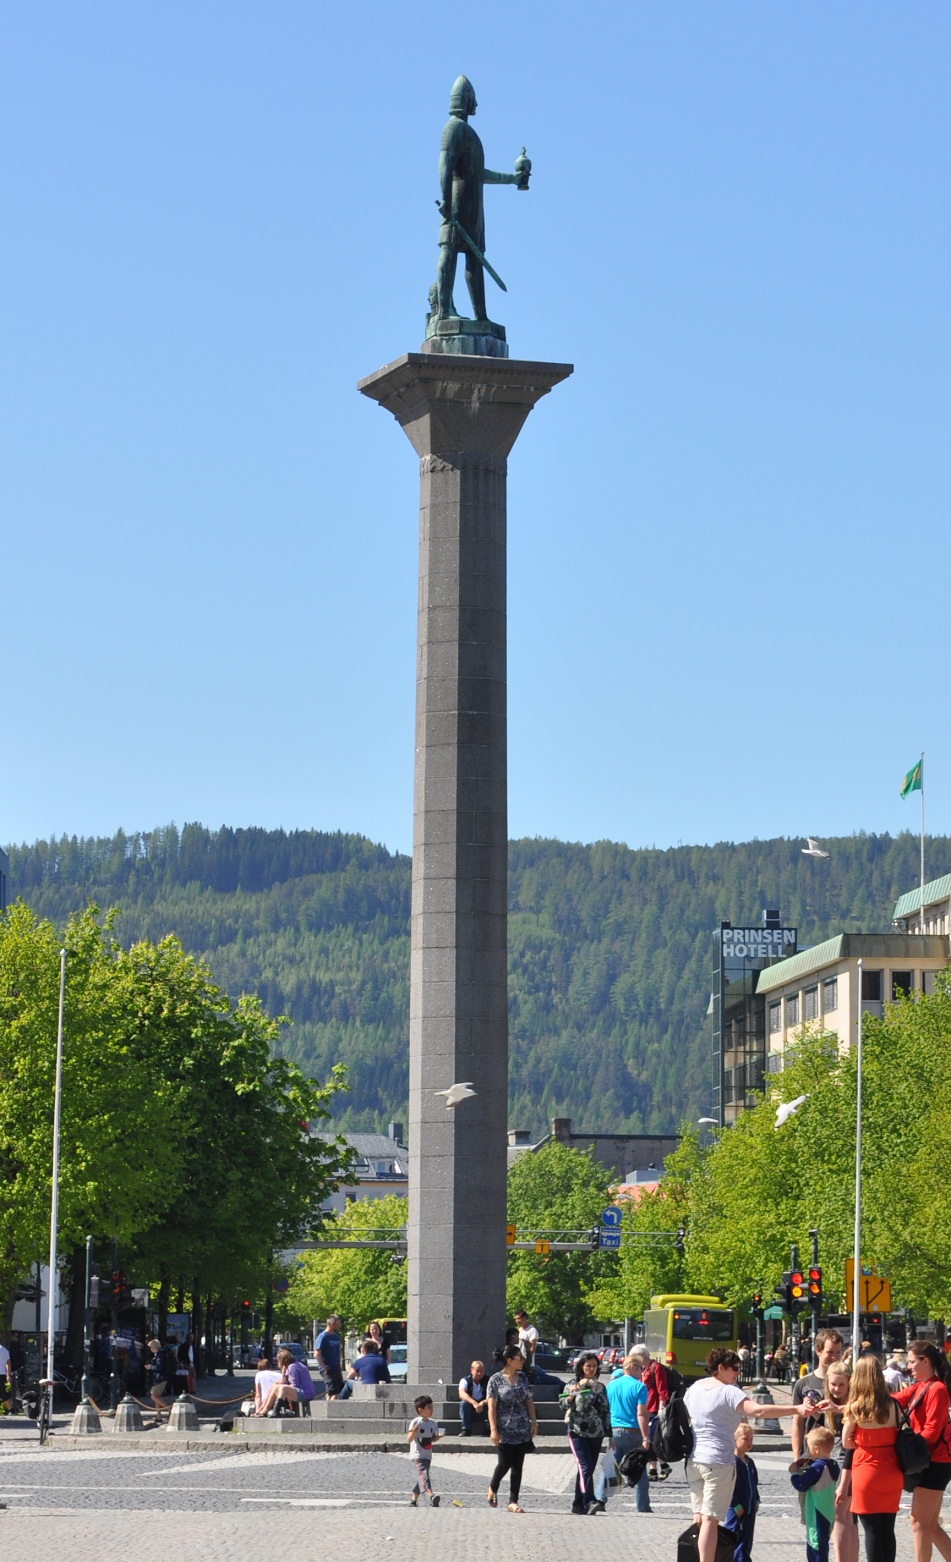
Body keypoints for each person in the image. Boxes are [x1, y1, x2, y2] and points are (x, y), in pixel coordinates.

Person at [685, 1347, 813, 1562]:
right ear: (720, 1368)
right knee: (710, 1520)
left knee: (699, 1516)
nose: (737, 1372)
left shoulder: (695, 1388)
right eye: (734, 1368)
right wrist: (797, 1409)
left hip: (694, 1460)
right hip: (718, 1461)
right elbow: (758, 1411)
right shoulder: (729, 1391)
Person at [433, 75, 526, 322]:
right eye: (473, 99)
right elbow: (445, 165)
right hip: (456, 201)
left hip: (474, 207)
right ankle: (443, 311)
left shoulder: (468, 132)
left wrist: (512, 180)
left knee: (475, 258)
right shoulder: (452, 128)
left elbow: (478, 173)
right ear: (465, 100)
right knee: (450, 250)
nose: (477, 104)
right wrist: (445, 200)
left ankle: (481, 317)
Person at [837, 1354, 901, 1562]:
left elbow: (846, 1442)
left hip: (867, 1469)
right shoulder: (894, 1405)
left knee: (871, 1529)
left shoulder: (856, 1408)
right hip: (892, 1470)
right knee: (887, 1529)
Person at [893, 1340, 951, 1562]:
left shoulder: (937, 1389)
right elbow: (891, 1401)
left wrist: (910, 1452)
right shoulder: (921, 1386)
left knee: (918, 1522)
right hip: (932, 1459)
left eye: (911, 1361)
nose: (908, 1367)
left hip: (936, 1461)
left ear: (925, 1361)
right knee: (931, 1525)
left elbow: (932, 1431)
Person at [592, 1350, 651, 1514]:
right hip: (634, 1432)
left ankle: (599, 1499)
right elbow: (641, 1413)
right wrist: (646, 1437)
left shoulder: (611, 1385)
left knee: (610, 1466)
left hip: (615, 1432)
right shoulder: (639, 1387)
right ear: (633, 1368)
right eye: (641, 1368)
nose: (642, 1372)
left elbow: (606, 1410)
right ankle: (643, 1506)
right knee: (638, 1468)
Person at [561, 1350, 614, 1516]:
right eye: (588, 1366)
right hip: (577, 1432)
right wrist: (573, 1394)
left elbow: (606, 1411)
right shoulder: (573, 1384)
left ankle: (578, 1504)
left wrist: (610, 1435)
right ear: (581, 1367)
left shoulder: (600, 1387)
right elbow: (563, 1404)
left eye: (594, 1366)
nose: (591, 1369)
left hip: (596, 1433)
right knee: (584, 1466)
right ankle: (589, 1501)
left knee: (588, 1469)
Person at [487, 1345, 537, 1513]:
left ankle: (513, 1500)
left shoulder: (523, 1378)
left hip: (522, 1427)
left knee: (518, 1465)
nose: (522, 1360)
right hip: (504, 1428)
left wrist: (533, 1421)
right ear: (510, 1360)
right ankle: (493, 1486)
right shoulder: (495, 1380)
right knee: (504, 1463)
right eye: (519, 1358)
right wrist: (493, 1429)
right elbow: (491, 1407)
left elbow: (529, 1400)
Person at [793, 1331, 846, 1463]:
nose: (834, 1357)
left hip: (840, 1454)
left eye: (838, 1352)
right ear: (818, 1351)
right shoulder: (803, 1384)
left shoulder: (848, 1382)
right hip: (811, 1453)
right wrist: (796, 1458)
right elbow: (797, 1424)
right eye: (830, 1352)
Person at [824, 1363, 859, 1562]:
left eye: (841, 1385)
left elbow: (850, 1446)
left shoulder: (851, 1405)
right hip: (838, 1462)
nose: (836, 1389)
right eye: (833, 1384)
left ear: (849, 1384)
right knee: (848, 1517)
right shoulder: (831, 1403)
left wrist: (837, 1409)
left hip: (848, 1463)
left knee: (839, 1515)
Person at [791, 1426, 840, 1562]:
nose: (808, 1452)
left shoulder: (817, 1467)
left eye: (809, 1449)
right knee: (823, 1545)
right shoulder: (833, 1465)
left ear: (816, 1449)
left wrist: (794, 1472)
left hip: (816, 1513)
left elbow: (800, 1484)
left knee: (815, 1546)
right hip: (828, 1511)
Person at [631, 1343, 671, 1482]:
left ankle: (661, 1466)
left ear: (642, 1355)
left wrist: (661, 1408)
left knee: (652, 1440)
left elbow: (662, 1390)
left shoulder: (656, 1368)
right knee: (648, 1440)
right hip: (645, 1409)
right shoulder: (643, 1370)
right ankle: (655, 1468)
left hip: (654, 1409)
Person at [725, 1422, 761, 1562]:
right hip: (736, 1509)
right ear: (735, 1440)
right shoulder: (732, 1462)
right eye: (745, 1439)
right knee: (734, 1536)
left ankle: (744, 1557)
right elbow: (729, 1486)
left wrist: (757, 1499)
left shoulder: (749, 1462)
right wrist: (735, 1504)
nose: (749, 1442)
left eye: (751, 1439)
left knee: (747, 1537)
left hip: (750, 1507)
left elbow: (754, 1482)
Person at [255, 1347, 317, 1416]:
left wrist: (283, 1383)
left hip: (305, 1393)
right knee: (275, 1386)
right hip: (305, 1392)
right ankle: (264, 1409)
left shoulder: (292, 1367)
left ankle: (275, 1410)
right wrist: (283, 1375)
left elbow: (295, 1384)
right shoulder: (294, 1365)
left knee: (282, 1388)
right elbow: (286, 1382)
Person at [407, 1394, 442, 1507]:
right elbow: (409, 1439)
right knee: (424, 1476)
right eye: (429, 1407)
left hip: (427, 1455)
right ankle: (431, 1495)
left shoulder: (432, 1423)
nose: (432, 1409)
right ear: (421, 1410)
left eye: (432, 1407)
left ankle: (413, 1500)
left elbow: (432, 1439)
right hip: (417, 1455)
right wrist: (413, 1431)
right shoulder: (416, 1422)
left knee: (421, 1477)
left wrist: (439, 1436)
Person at [314, 1315, 344, 1399]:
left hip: (336, 1368)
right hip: (328, 1369)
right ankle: (332, 1411)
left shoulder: (336, 1337)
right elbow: (317, 1353)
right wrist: (324, 1367)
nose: (340, 1325)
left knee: (337, 1392)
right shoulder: (323, 1337)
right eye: (338, 1322)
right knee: (335, 1393)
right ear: (331, 1323)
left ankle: (328, 1407)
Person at [458, 1360, 489, 1436]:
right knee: (464, 1403)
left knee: (493, 1403)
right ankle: (466, 1429)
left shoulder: (488, 1380)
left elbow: (493, 1396)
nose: (479, 1373)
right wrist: (474, 1403)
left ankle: (489, 1428)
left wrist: (483, 1402)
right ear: (471, 1370)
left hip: (484, 1409)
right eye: (477, 1371)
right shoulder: (465, 1380)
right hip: (470, 1409)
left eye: (481, 1371)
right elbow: (462, 1394)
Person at [146, 1338, 172, 1423]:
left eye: (151, 1347)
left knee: (153, 1395)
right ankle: (158, 1416)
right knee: (157, 1396)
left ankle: (169, 1409)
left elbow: (159, 1366)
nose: (150, 1349)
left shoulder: (160, 1354)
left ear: (154, 1347)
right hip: (161, 1377)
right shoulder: (160, 1354)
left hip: (160, 1378)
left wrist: (150, 1367)